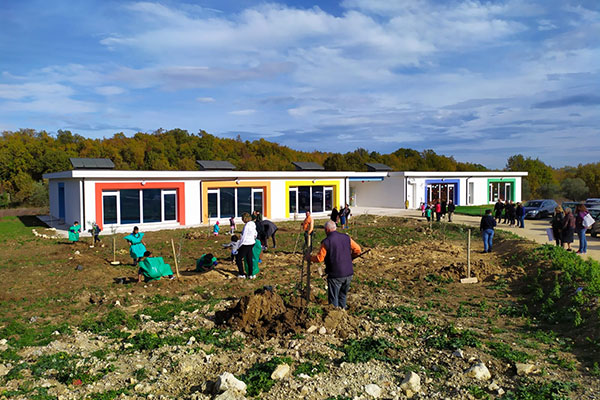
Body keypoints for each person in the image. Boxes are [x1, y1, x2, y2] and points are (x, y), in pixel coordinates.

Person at [308, 220, 361, 309]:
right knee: (343, 295)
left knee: (333, 298)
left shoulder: (326, 242)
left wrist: (309, 258)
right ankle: (343, 313)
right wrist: (351, 257)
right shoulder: (346, 238)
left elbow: (319, 258)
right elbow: (358, 250)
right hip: (348, 273)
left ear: (326, 230)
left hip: (335, 274)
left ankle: (334, 315)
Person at [234, 213, 258, 279]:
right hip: (251, 243)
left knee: (238, 258)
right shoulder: (253, 224)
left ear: (245, 218)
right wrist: (253, 239)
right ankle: (251, 274)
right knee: (249, 258)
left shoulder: (247, 226)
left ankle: (242, 274)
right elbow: (255, 233)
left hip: (245, 243)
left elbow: (243, 236)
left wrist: (239, 246)